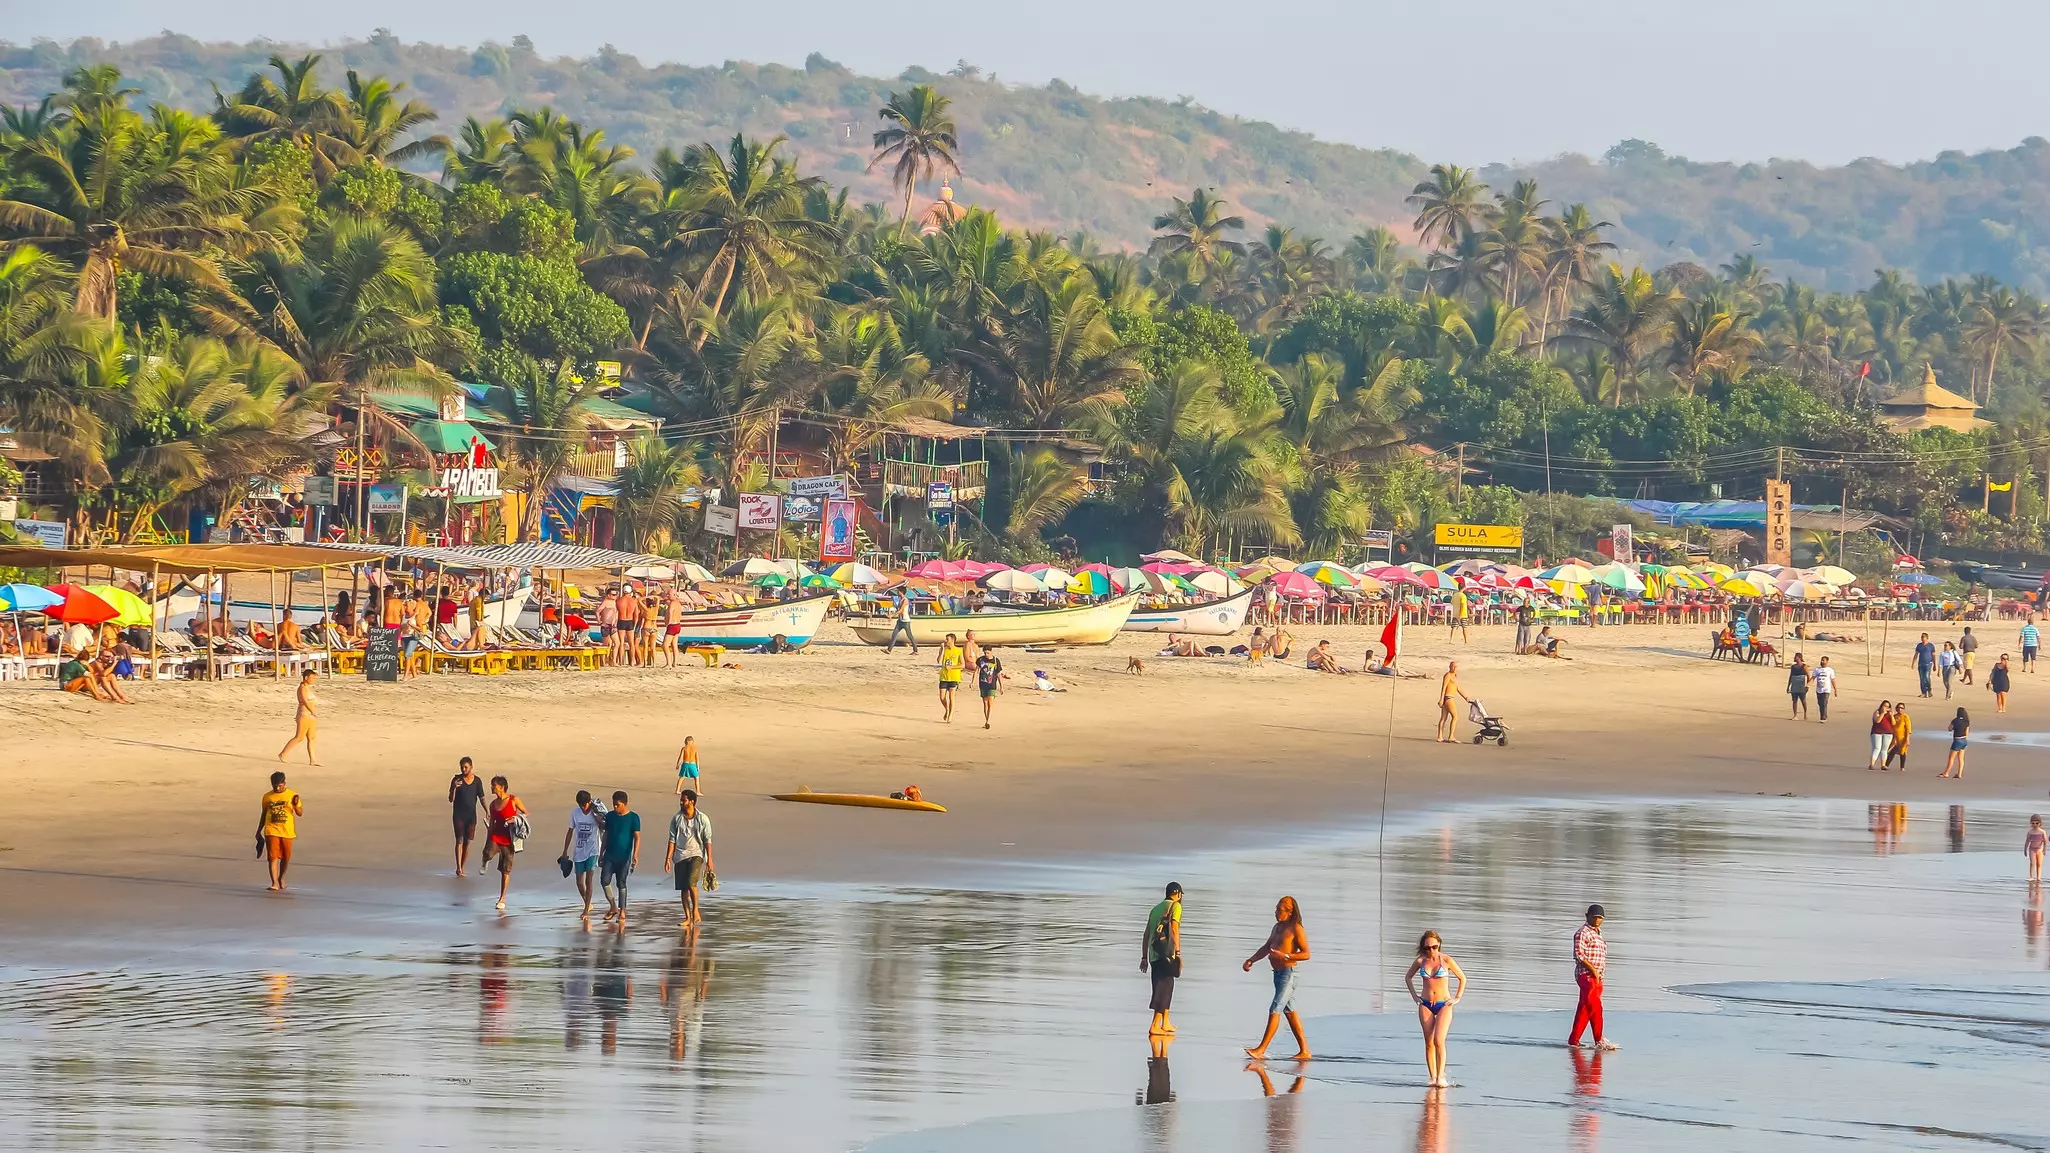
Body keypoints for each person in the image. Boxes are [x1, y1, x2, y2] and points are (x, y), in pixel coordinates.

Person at [1241, 896, 1311, 1061]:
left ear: (1289, 911)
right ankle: (1305, 1051)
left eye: (1279, 910)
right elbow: (1267, 947)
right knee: (1290, 1012)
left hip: (1289, 973)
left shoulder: (1296, 928)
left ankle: (1261, 1049)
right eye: (1276, 909)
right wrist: (1251, 960)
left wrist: (1286, 955)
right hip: (1278, 975)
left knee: (1275, 1008)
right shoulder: (1277, 927)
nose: (1276, 913)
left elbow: (1306, 953)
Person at [1403, 931, 1466, 1088]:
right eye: (1428, 948)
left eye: (1434, 947)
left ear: (1439, 945)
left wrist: (1457, 997)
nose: (1431, 950)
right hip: (1425, 1004)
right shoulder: (1421, 961)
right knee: (1429, 1042)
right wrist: (1415, 996)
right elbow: (1408, 977)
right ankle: (1433, 1078)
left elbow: (1462, 978)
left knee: (1439, 1040)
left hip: (1443, 1004)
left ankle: (1441, 1076)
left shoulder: (1446, 960)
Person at [1569, 905, 1617, 1050]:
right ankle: (1599, 1040)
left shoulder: (1598, 934)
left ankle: (1574, 1040)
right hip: (1586, 975)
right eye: (1594, 917)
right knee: (1596, 1007)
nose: (1597, 920)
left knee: (1584, 1008)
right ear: (1587, 916)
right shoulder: (1583, 933)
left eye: (1600, 918)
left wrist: (1599, 975)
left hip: (1597, 977)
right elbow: (1579, 954)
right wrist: (1593, 970)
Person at [665, 790, 714, 927]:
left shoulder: (702, 818)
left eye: (684, 800)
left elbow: (707, 840)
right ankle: (687, 917)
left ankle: (696, 911)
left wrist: (710, 859)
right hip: (680, 855)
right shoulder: (676, 819)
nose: (681, 802)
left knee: (691, 883)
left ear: (692, 801)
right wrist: (668, 858)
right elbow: (672, 839)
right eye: (681, 800)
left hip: (696, 854)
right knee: (683, 888)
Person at [1142, 882, 1184, 1037]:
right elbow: (1174, 928)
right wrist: (1178, 953)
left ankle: (1165, 1022)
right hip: (1167, 953)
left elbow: (1146, 934)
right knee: (1163, 989)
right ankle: (1155, 1025)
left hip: (1154, 954)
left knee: (1167, 986)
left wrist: (1144, 957)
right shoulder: (1176, 907)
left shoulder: (1155, 909)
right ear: (1178, 894)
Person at [483, 776, 526, 912]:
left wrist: (515, 819)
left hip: (509, 839)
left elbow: (525, 813)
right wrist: (487, 838)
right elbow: (491, 825)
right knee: (488, 853)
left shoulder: (514, 800)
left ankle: (502, 898)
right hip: (496, 835)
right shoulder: (493, 805)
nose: (491, 788)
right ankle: (485, 861)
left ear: (501, 787)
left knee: (505, 870)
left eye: (493, 785)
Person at [257, 770, 303, 892]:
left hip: (287, 831)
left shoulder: (292, 795)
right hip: (271, 830)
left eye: (280, 785)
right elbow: (264, 814)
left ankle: (281, 877)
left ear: (284, 783)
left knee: (286, 857)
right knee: (273, 857)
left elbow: (300, 813)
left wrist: (296, 804)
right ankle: (274, 882)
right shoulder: (267, 796)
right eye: (275, 785)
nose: (277, 787)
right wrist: (258, 831)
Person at [563, 790, 605, 916]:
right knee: (579, 882)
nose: (582, 807)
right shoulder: (575, 813)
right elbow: (570, 831)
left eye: (584, 805)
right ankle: (588, 903)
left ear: (589, 801)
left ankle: (586, 909)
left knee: (589, 880)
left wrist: (597, 816)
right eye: (580, 805)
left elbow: (604, 826)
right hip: (579, 850)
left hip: (593, 849)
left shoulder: (596, 811)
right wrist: (565, 850)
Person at [600, 791, 641, 920]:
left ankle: (622, 911)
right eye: (614, 805)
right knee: (604, 881)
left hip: (624, 857)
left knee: (621, 883)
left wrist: (635, 855)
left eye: (618, 805)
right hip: (609, 855)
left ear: (625, 803)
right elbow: (606, 834)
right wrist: (601, 852)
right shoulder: (610, 816)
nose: (615, 807)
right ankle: (613, 906)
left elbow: (637, 838)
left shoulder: (634, 817)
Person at [449, 757, 486, 876]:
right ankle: (458, 867)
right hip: (458, 815)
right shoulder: (456, 779)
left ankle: (463, 866)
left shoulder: (477, 781)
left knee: (467, 842)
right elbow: (451, 799)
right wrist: (454, 787)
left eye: (466, 767)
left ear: (471, 767)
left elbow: (482, 797)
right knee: (459, 840)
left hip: (471, 816)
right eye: (462, 767)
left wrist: (487, 811)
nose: (463, 769)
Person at [276, 669, 318, 764]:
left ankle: (313, 759)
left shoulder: (308, 688)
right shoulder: (302, 688)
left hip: (311, 716)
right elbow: (305, 701)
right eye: (311, 678)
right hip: (304, 715)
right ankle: (283, 753)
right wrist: (312, 711)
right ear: (306, 677)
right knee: (299, 737)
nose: (312, 680)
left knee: (311, 737)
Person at [1436, 661, 1473, 743]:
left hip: (1449, 698)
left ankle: (1440, 737)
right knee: (1455, 716)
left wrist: (1465, 697)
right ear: (1450, 667)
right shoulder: (1448, 675)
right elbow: (1444, 687)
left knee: (1443, 718)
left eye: (1455, 667)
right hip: (1448, 698)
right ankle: (1450, 736)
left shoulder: (1455, 677)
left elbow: (1458, 688)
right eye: (1453, 667)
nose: (1454, 668)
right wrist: (1441, 699)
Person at [937, 633, 965, 722]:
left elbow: (962, 665)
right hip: (944, 676)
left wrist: (952, 667)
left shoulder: (958, 650)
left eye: (947, 639)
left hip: (954, 676)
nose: (946, 641)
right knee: (942, 697)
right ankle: (947, 709)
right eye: (946, 639)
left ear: (952, 640)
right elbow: (939, 661)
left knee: (951, 696)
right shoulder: (944, 649)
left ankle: (950, 716)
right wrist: (941, 650)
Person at [975, 649, 1004, 729]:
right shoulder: (980, 660)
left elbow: (998, 674)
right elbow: (976, 671)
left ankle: (988, 721)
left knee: (990, 702)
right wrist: (972, 682)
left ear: (991, 652)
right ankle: (986, 720)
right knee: (985, 703)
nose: (986, 654)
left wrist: (1001, 686)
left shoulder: (995, 660)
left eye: (988, 652)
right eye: (985, 653)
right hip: (983, 683)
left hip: (992, 684)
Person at [886, 589, 918, 655]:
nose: (897, 592)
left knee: (910, 636)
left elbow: (901, 610)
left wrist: (892, 615)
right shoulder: (900, 599)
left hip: (905, 621)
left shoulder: (905, 600)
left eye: (898, 591)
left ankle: (915, 650)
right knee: (894, 634)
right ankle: (889, 650)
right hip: (900, 620)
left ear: (902, 592)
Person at [1941, 708, 1970, 779]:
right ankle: (1959, 774)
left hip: (1957, 740)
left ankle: (1946, 773)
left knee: (1951, 758)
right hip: (1964, 740)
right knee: (1961, 759)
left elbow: (1949, 729)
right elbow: (1966, 733)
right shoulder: (1966, 721)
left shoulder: (1955, 720)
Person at [1885, 704, 1912, 771]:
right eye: (1898, 707)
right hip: (1894, 737)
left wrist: (1908, 739)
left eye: (1901, 708)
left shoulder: (1905, 717)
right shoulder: (1894, 716)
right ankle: (1886, 765)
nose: (1900, 709)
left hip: (1903, 738)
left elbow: (1908, 728)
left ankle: (1901, 767)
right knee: (1891, 751)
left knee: (1902, 752)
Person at [1868, 702, 1894, 770]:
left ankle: (1883, 765)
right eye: (1885, 706)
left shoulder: (1890, 713)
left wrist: (1891, 715)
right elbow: (1877, 721)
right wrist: (1882, 713)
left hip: (1888, 733)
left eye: (1888, 706)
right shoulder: (1877, 712)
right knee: (1877, 748)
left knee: (1884, 750)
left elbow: (1894, 723)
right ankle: (1872, 764)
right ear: (1881, 706)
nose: (1886, 708)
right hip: (1877, 732)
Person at [1913, 633, 1936, 698]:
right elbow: (1916, 654)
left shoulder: (1931, 646)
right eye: (1921, 637)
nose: (1922, 638)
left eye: (1923, 637)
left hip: (1928, 663)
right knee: (1922, 679)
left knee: (1927, 677)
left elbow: (1933, 655)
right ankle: (1923, 692)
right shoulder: (1919, 645)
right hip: (1921, 664)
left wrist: (1934, 665)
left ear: (1927, 638)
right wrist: (1913, 663)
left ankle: (1929, 690)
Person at [1786, 653, 1809, 720]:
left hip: (1801, 685)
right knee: (1794, 700)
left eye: (1796, 657)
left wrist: (1807, 686)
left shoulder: (1804, 666)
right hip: (1794, 684)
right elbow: (1790, 676)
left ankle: (1805, 713)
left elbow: (1808, 676)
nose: (1795, 658)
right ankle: (1795, 715)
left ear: (1799, 658)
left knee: (1803, 700)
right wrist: (1788, 686)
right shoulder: (1793, 666)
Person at [1813, 656, 1835, 721]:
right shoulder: (1817, 670)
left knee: (1824, 702)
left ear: (1827, 662)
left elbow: (1833, 680)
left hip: (1826, 689)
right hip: (1819, 689)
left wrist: (1835, 689)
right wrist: (1807, 685)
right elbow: (1813, 678)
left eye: (1823, 660)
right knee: (1820, 703)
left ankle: (1823, 717)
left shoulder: (1830, 670)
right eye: (1821, 660)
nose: (1822, 661)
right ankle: (1822, 715)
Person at [2026, 815, 2046, 881]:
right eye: (2033, 823)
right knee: (2032, 863)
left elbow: (2045, 841)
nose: (2035, 825)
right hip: (2032, 849)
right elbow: (2027, 841)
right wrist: (2025, 849)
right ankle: (2031, 876)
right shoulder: (2030, 832)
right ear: (2031, 823)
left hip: (2040, 849)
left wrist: (2044, 849)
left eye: (2037, 823)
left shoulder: (2042, 832)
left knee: (2039, 863)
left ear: (2040, 823)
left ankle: (2038, 877)